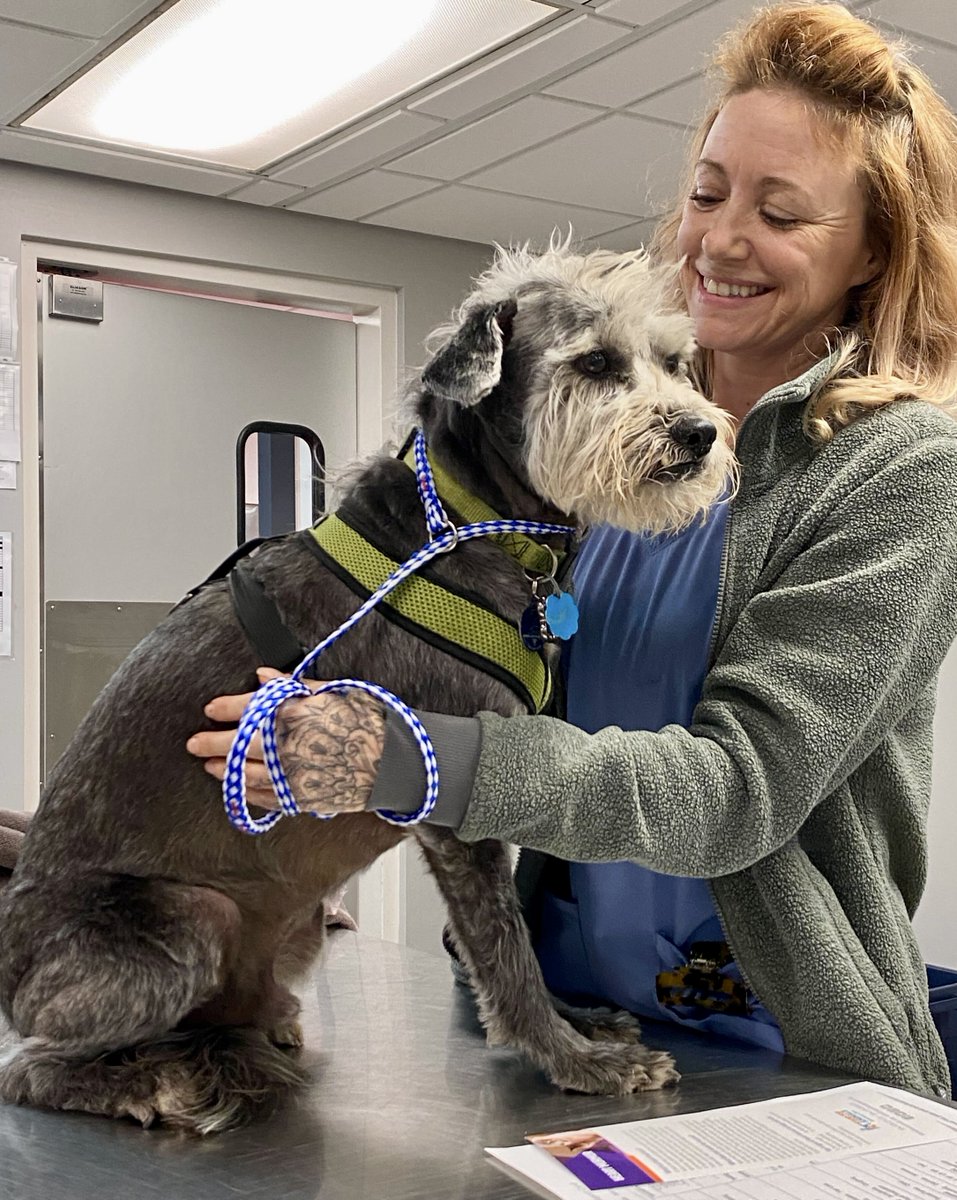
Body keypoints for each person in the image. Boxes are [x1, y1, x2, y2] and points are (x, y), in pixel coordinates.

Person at [189, 2, 957, 1099]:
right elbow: (503, 703)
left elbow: (737, 792)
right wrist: (297, 854)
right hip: (557, 1020)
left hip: (778, 1053)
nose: (721, 239)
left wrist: (407, 758)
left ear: (874, 252)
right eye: (707, 193)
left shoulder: (901, 470)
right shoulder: (590, 451)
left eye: (781, 213)